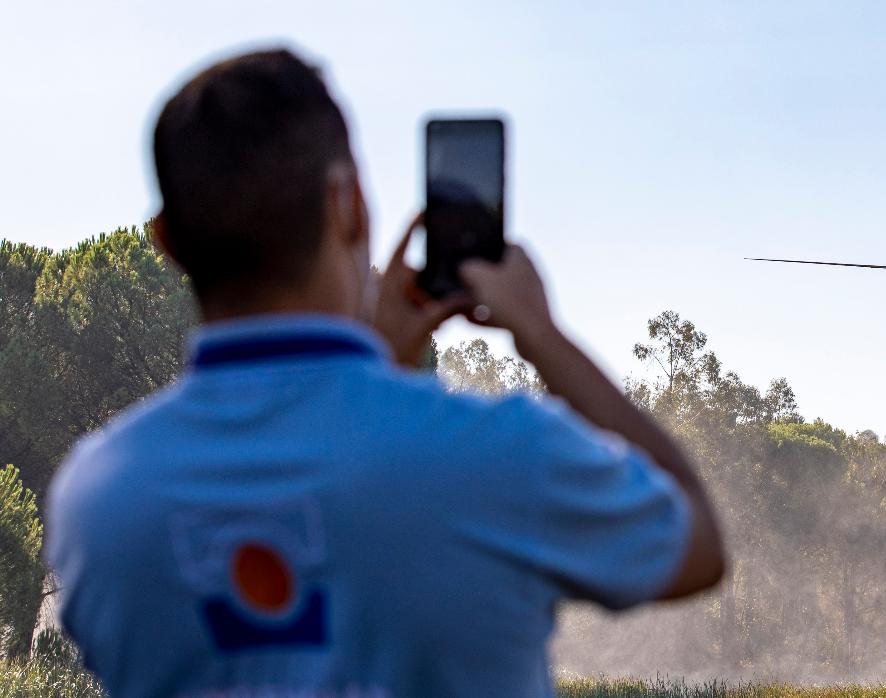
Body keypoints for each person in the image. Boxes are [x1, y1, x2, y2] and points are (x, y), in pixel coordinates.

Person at [46, 48, 725, 698]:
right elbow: (697, 540)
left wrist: (380, 360)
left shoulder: (94, 500)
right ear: (350, 204)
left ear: (164, 241)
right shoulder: (501, 456)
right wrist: (543, 339)